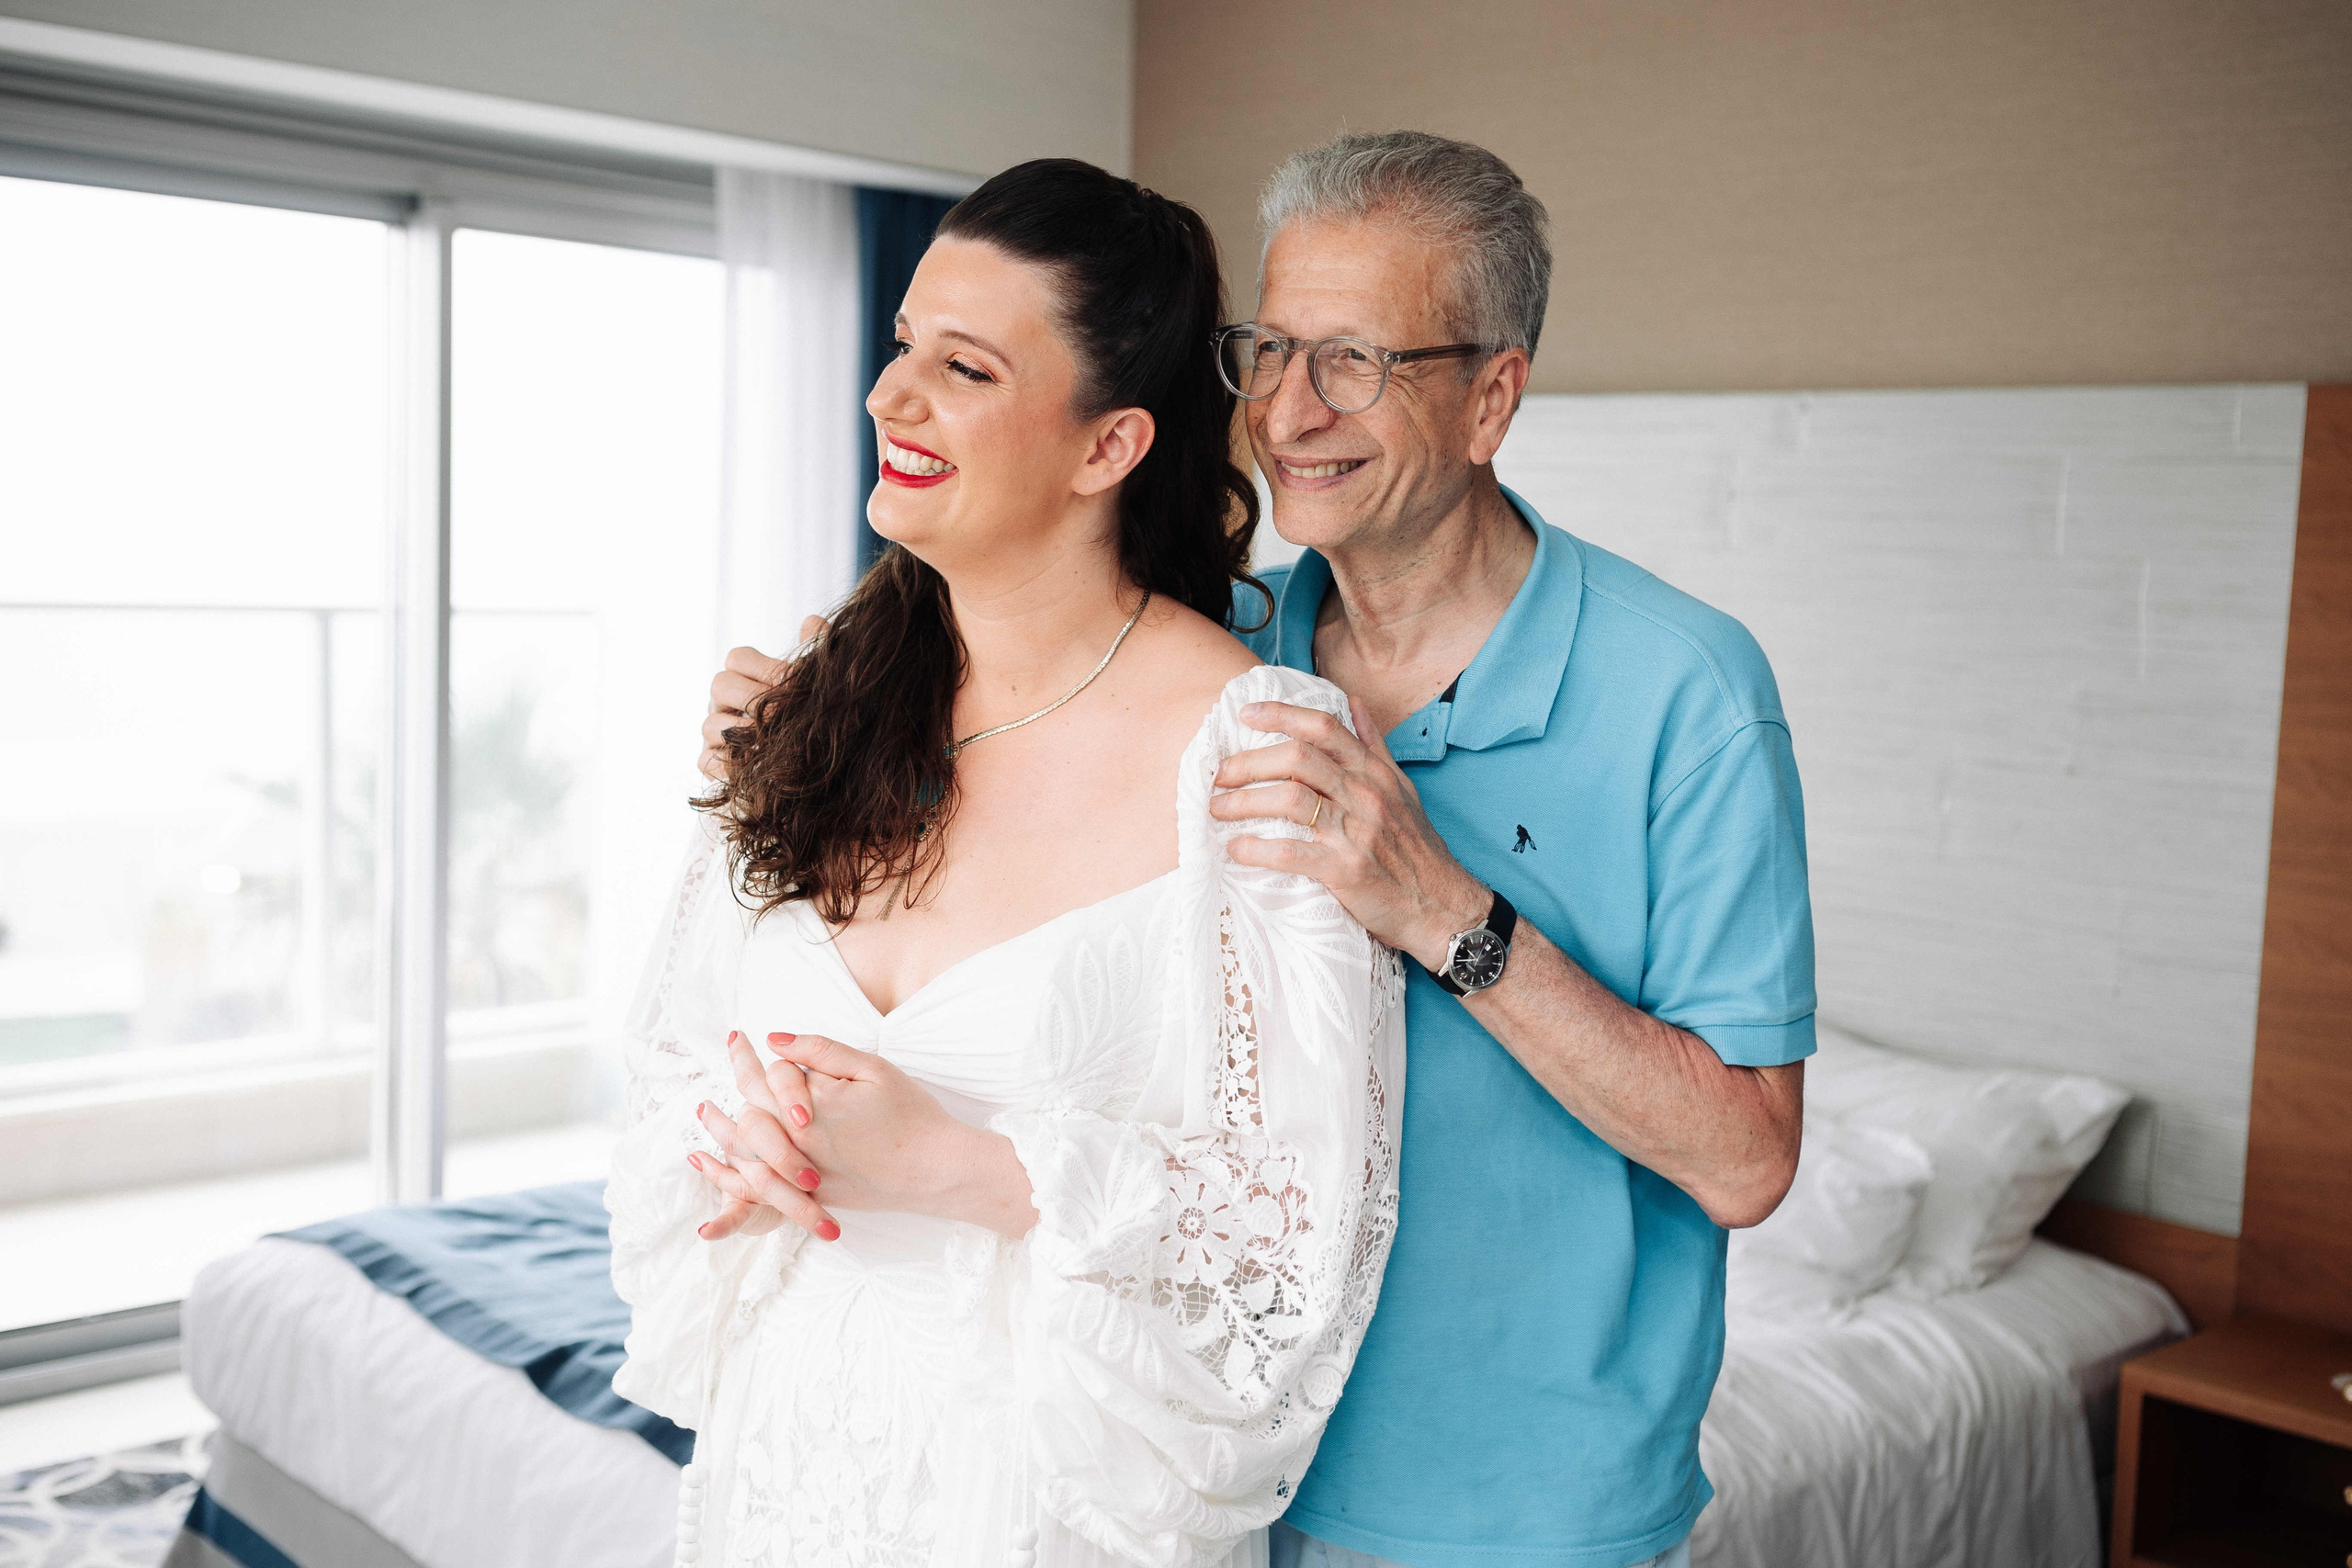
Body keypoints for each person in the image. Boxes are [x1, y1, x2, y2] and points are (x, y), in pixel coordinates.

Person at [703, 132, 1815, 1568]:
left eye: (1352, 360)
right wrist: (809, 738)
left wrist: (1447, 916)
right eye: (1269, 349)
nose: (1288, 412)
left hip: (1506, 1509)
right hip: (1195, 1460)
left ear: (1492, 398)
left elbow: (1747, 1162)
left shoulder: (1688, 694)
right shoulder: (1228, 657)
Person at [607, 158, 1406, 1568]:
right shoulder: (816, 696)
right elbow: (678, 1054)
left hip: (1037, 1500)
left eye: (963, 367)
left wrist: (958, 1164)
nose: (890, 396)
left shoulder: (1256, 754)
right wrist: (743, 1142)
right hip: (781, 1467)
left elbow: (1286, 1243)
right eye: (902, 345)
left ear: (1108, 447)